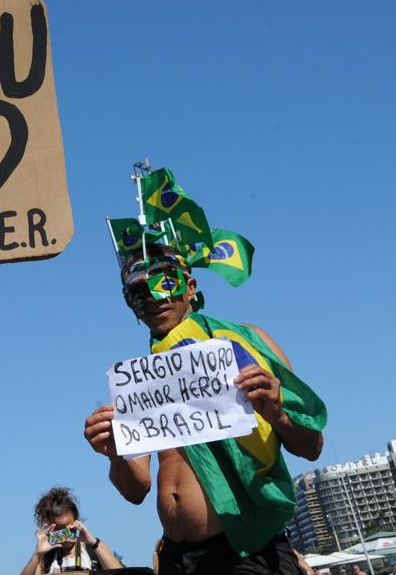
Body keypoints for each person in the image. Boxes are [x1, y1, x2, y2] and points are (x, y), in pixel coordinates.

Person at [83, 243, 326, 574]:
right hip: (177, 558)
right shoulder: (141, 382)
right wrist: (114, 454)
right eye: (139, 292)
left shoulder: (247, 343)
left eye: (166, 283)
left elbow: (312, 447)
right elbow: (135, 490)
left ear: (191, 287)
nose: (155, 298)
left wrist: (278, 412)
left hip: (245, 552)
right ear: (130, 305)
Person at [19, 486, 123, 574]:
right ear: (51, 530)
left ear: (77, 522)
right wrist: (38, 554)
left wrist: (92, 541)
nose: (67, 536)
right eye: (60, 531)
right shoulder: (47, 558)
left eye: (70, 529)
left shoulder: (93, 549)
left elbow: (121, 574)